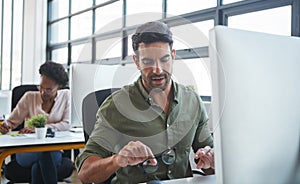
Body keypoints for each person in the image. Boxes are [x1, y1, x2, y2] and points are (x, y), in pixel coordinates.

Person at [75, 21, 214, 183]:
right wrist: (117, 160)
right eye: (148, 62)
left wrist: (210, 160)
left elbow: (210, 161)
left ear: (173, 56)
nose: (158, 70)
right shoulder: (116, 105)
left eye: (164, 59)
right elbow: (85, 173)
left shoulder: (193, 101)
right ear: (136, 61)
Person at [0, 61, 70, 184]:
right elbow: (11, 123)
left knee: (39, 165)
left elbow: (67, 124)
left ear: (59, 87)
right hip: (27, 150)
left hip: (54, 150)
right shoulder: (29, 97)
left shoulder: (66, 96)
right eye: (41, 87)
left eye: (48, 90)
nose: (42, 93)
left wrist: (40, 128)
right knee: (45, 155)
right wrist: (6, 127)